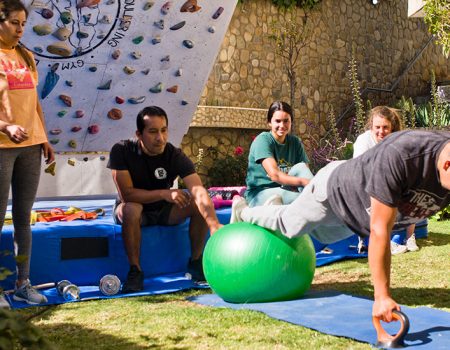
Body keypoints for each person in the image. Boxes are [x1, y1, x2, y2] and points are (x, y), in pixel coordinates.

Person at [232, 130, 450, 322]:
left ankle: (275, 210)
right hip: (335, 188)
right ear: (447, 165)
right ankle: (244, 211)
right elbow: (379, 229)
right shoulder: (402, 155)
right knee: (290, 225)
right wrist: (382, 297)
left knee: (321, 235)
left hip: (355, 217)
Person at [108, 106, 222, 293]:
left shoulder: (174, 154)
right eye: (153, 132)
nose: (160, 138)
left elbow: (199, 190)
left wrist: (214, 225)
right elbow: (126, 195)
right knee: (131, 208)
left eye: (163, 130)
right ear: (139, 134)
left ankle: (196, 262)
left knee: (196, 203)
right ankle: (135, 271)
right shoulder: (122, 150)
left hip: (163, 210)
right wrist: (164, 193)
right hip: (135, 210)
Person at [0, 0, 55, 308]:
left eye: (23, 24)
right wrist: (6, 127)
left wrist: (43, 138)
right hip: (2, 148)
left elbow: (34, 104)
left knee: (24, 219)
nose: (21, 29)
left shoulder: (27, 56)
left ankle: (23, 282)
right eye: (14, 23)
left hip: (30, 148)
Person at [353, 106, 419, 255]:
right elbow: (360, 171)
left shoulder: (397, 141)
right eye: (377, 127)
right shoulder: (363, 141)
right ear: (371, 126)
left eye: (385, 127)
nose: (381, 131)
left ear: (392, 128)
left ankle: (410, 237)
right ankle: (382, 242)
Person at [243, 101, 313, 208]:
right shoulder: (263, 140)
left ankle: (316, 198)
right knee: (300, 200)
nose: (282, 125)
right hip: (259, 194)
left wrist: (311, 185)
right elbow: (275, 175)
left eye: (286, 121)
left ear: (291, 122)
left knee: (302, 167)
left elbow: (304, 170)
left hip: (285, 189)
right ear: (269, 122)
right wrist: (303, 182)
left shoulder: (295, 142)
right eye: (277, 121)